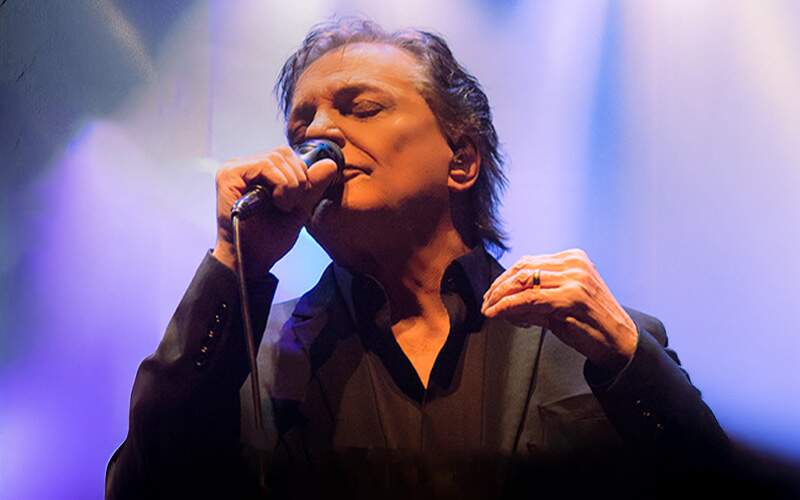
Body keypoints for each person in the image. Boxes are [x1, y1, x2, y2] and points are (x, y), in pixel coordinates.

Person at [106, 18, 729, 499]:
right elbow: (144, 489)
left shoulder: (585, 340)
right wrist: (234, 264)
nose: (319, 135)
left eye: (361, 108)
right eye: (301, 129)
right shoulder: (251, 352)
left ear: (461, 160)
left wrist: (629, 360)